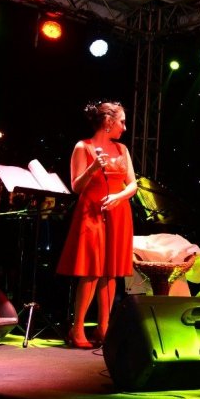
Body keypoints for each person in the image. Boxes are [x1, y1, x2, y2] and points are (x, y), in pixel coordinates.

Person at [56, 101, 137, 348]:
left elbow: (133, 184)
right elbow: (76, 187)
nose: (124, 127)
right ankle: (77, 328)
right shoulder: (83, 147)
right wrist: (92, 168)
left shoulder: (122, 149)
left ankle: (104, 328)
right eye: (122, 122)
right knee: (91, 270)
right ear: (108, 122)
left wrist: (118, 196)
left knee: (111, 272)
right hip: (91, 212)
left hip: (118, 211)